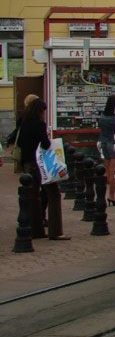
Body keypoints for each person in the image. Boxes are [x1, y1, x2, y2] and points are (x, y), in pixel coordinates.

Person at [6, 98, 69, 240]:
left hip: (27, 162)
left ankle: (36, 230)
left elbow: (20, 142)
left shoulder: (24, 123)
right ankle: (56, 231)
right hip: (41, 164)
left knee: (33, 196)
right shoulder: (39, 124)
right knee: (53, 194)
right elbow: (45, 144)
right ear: (39, 111)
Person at [98, 94, 115, 206]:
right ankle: (111, 196)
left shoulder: (103, 117)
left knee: (106, 171)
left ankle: (101, 194)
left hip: (103, 142)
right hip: (113, 143)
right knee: (112, 172)